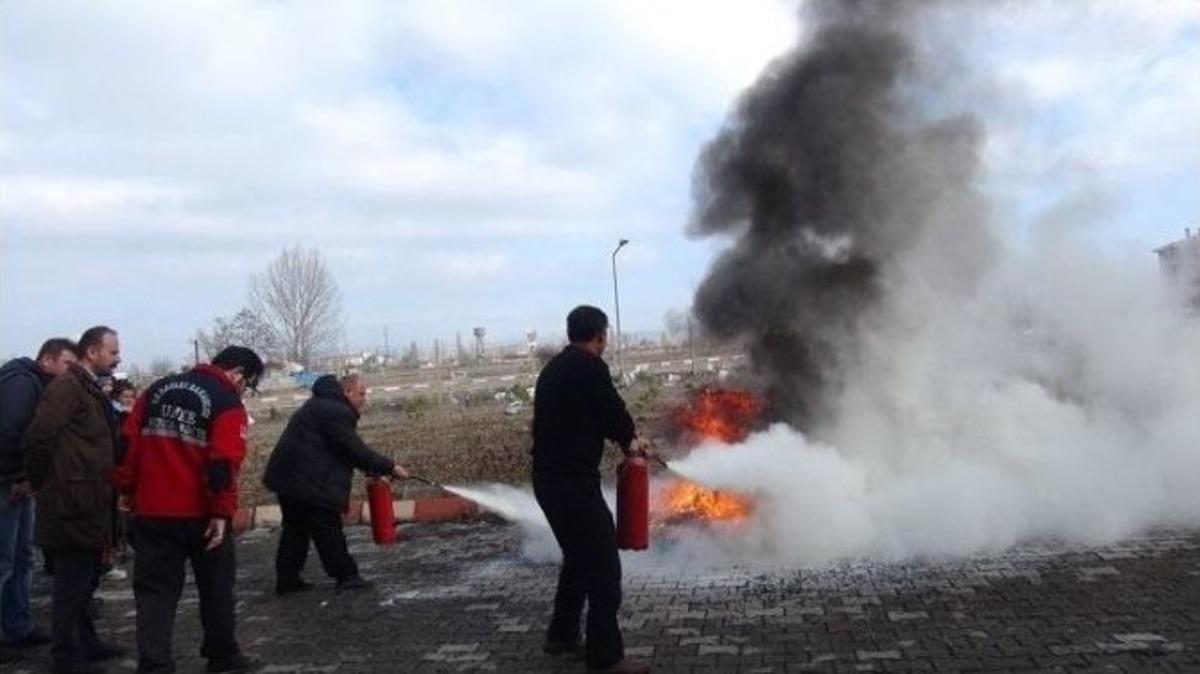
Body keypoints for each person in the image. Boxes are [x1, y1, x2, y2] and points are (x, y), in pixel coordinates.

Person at [114, 346, 264, 674]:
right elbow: (223, 463)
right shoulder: (227, 402)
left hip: (152, 511)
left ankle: (155, 665)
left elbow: (127, 447)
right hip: (202, 516)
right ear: (237, 373)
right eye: (247, 384)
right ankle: (221, 655)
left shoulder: (155, 391)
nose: (244, 391)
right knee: (217, 587)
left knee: (154, 594)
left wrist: (126, 489)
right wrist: (221, 514)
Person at [531, 306, 652, 674]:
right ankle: (606, 659)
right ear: (600, 335)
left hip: (548, 481)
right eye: (606, 335)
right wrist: (632, 439)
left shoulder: (552, 369)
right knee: (603, 570)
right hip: (572, 485)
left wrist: (624, 438)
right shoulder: (590, 367)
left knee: (578, 559)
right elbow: (613, 411)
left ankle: (562, 635)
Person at [23, 327, 126, 674]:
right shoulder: (67, 387)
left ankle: (86, 641)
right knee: (71, 582)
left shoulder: (87, 388)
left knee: (85, 578)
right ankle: (67, 656)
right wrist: (43, 482)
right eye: (113, 353)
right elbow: (39, 437)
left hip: (89, 498)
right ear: (93, 351)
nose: (118, 359)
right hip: (71, 502)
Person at [263, 373, 410, 595]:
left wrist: (372, 469)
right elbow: (353, 449)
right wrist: (390, 467)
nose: (364, 399)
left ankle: (288, 580)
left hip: (289, 480)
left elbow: (340, 450)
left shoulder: (321, 405)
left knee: (296, 530)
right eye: (361, 394)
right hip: (307, 483)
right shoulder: (335, 411)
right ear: (347, 392)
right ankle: (346, 576)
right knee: (327, 528)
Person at [0, 338, 77, 663]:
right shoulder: (22, 384)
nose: (69, 373)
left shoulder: (37, 385)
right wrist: (17, 476)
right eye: (67, 365)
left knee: (21, 558)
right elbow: (10, 433)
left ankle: (18, 627)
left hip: (19, 482)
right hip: (6, 483)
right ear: (47, 360)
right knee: (4, 561)